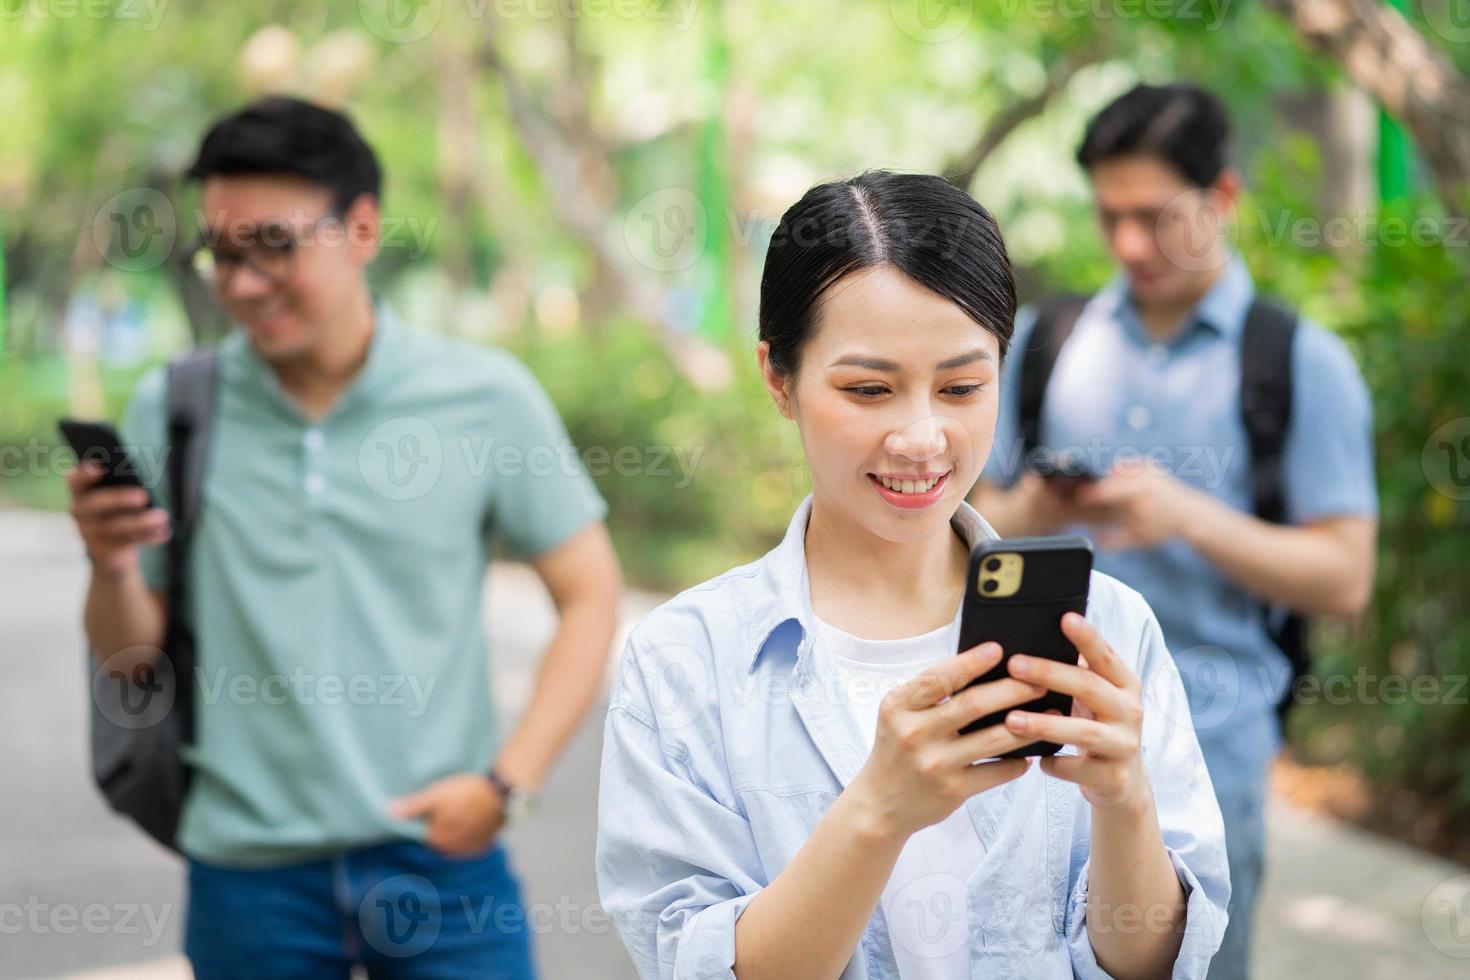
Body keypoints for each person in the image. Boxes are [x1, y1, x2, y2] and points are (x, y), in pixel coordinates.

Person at [596, 171, 1229, 978]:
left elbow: (1149, 963)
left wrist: (1125, 800)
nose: (923, 438)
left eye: (963, 387)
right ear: (778, 378)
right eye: (869, 389)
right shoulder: (685, 663)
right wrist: (877, 811)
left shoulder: (1109, 628)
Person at [67, 96, 623, 978]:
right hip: (248, 877)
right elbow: (134, 660)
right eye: (221, 253)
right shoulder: (174, 408)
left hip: (443, 863)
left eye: (275, 245)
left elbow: (591, 595)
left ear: (362, 228)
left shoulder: (485, 398)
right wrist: (108, 562)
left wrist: (508, 785)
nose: (243, 283)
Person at [969, 83, 1378, 979]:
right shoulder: (1047, 339)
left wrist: (1187, 516)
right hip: (1035, 752)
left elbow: (1344, 576)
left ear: (1222, 199)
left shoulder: (1299, 362)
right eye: (1109, 215)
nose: (1127, 244)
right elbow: (965, 533)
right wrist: (1041, 508)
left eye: (1154, 216)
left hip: (1210, 755)